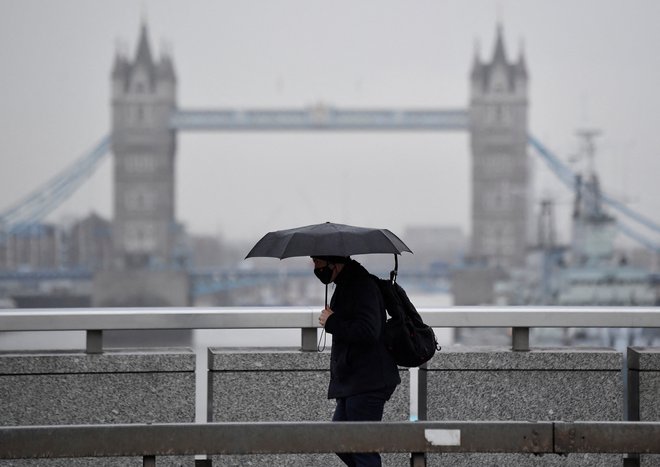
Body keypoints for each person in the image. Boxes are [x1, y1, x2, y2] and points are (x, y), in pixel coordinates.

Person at [312, 255, 401, 467]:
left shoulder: (361, 285)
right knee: (340, 440)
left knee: (362, 449)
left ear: (334, 262)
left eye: (317, 262)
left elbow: (369, 331)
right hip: (353, 381)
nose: (315, 267)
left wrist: (332, 321)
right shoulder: (346, 283)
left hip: (367, 381)